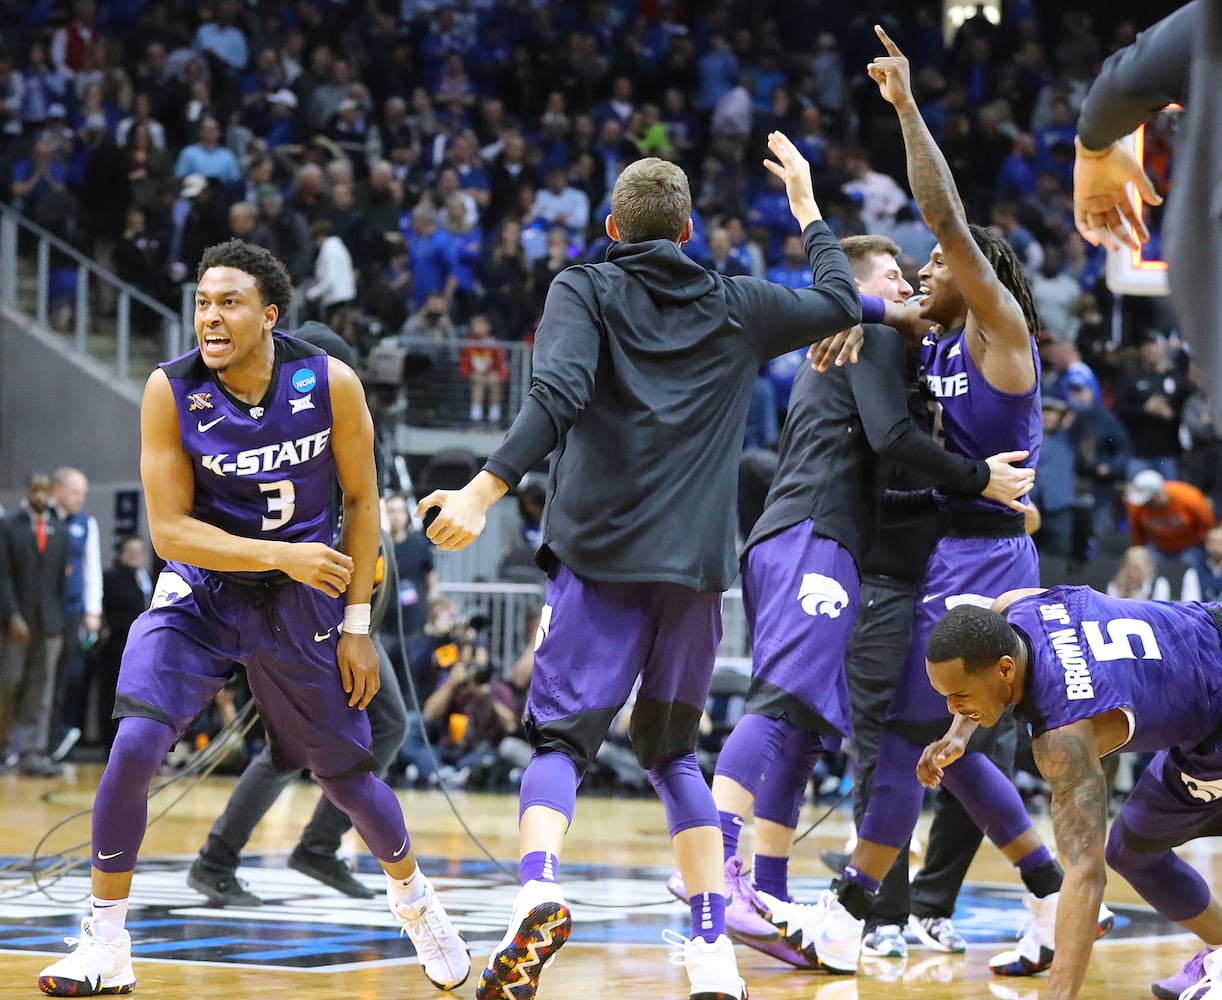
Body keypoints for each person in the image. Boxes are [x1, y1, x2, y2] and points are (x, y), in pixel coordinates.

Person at [417, 141, 862, 1000]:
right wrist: (806, 204)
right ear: (691, 230)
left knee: (557, 741)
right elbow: (841, 298)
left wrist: (483, 488)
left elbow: (556, 395)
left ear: (613, 228)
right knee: (672, 758)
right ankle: (709, 952)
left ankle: (541, 888)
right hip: (692, 575)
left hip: (599, 560)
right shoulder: (738, 303)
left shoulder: (583, 285)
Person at [36, 239, 469, 997]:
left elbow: (365, 503)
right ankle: (105, 942)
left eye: (229, 302)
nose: (210, 316)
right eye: (203, 302)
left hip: (302, 601)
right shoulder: (169, 390)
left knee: (345, 772)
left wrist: (360, 626)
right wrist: (277, 556)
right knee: (135, 740)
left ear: (268, 315)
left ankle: (418, 904)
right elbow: (169, 531)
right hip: (204, 587)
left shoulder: (328, 381)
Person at [799, 26, 1105, 977]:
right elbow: (860, 306)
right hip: (946, 548)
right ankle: (1043, 894)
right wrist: (842, 327)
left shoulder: (998, 337)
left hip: (983, 557)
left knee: (912, 729)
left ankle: (855, 909)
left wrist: (905, 109)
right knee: (938, 741)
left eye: (934, 274)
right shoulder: (923, 341)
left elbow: (944, 222)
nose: (922, 280)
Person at [666, 233, 1035, 969]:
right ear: (861, 291)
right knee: (780, 706)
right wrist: (975, 480)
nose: (907, 283)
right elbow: (894, 436)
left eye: (912, 272)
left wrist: (983, 502)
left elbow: (895, 474)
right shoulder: (867, 331)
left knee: (805, 726)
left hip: (828, 539)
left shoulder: (885, 343)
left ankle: (766, 894)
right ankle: (713, 867)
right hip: (812, 531)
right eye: (894, 275)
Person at [186, 323, 410, 909]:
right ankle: (226, 859)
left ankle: (299, 848)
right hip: (295, 605)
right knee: (295, 746)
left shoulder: (339, 415)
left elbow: (362, 507)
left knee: (346, 733)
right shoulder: (283, 423)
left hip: (335, 608)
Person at [920, 586, 1222, 1000]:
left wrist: (1057, 994)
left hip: (1215, 718)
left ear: (1005, 670)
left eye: (961, 696)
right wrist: (958, 735)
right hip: (1209, 628)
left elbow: (1084, 877)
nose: (953, 706)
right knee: (1132, 852)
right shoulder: (1015, 606)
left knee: (1118, 855)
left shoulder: (1063, 738)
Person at [0, 474, 70, 777]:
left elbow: (60, 583)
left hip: (49, 622)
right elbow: (3, 576)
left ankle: (32, 751)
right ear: (27, 491)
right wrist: (12, 614)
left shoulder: (61, 532)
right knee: (9, 683)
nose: (40, 494)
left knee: (42, 690)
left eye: (45, 489)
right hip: (16, 621)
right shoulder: (8, 526)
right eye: (35, 489)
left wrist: (60, 623)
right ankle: (4, 748)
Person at [50, 466, 102, 763]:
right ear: (57, 490)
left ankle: (57, 737)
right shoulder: (43, 519)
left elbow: (91, 569)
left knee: (67, 677)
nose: (80, 498)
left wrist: (93, 610)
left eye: (83, 492)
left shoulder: (86, 523)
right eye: (74, 491)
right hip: (43, 610)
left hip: (72, 611)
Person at [1125, 470, 1216, 565]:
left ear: (1159, 494)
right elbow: (1137, 534)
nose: (1145, 505)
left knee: (1192, 565)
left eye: (1148, 501)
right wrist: (1138, 553)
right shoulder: (1137, 505)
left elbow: (1208, 527)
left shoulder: (1189, 498)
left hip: (1190, 546)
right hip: (1157, 547)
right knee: (1143, 564)